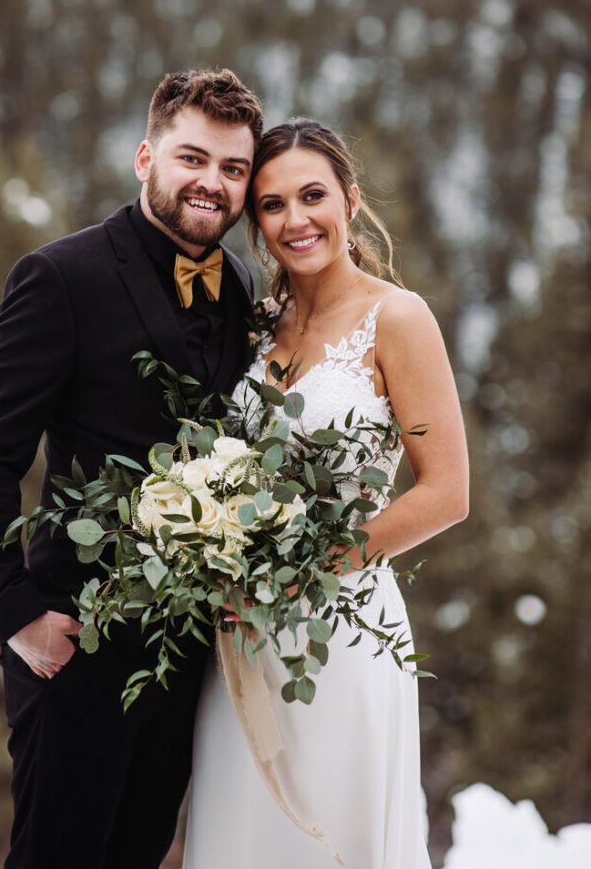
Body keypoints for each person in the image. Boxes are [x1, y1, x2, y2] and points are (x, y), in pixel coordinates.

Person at [0, 69, 264, 869]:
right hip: (73, 642)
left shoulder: (240, 289)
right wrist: (13, 610)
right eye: (192, 158)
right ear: (144, 158)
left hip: (185, 653)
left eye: (233, 169)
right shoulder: (60, 276)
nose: (212, 183)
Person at [183, 119, 470, 869]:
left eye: (311, 196)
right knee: (240, 831)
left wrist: (306, 568)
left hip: (340, 634)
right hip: (241, 633)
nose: (294, 220)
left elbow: (445, 492)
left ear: (348, 196)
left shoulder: (396, 318)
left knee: (330, 836)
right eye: (271, 206)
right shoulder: (256, 326)